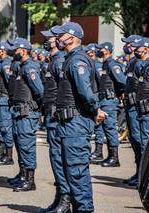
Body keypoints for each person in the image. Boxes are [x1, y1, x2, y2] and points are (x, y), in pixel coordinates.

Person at [52, 22, 106, 212]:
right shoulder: (71, 58)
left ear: (72, 37)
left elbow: (86, 93)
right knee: (71, 171)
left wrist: (95, 111)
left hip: (75, 123)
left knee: (77, 172)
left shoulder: (77, 61)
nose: (57, 39)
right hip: (69, 123)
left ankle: (84, 209)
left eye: (61, 35)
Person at [40, 26, 70, 212]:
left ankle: (65, 201)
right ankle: (59, 197)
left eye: (50, 38)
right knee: (55, 158)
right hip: (51, 115)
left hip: (57, 116)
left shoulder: (60, 61)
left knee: (59, 158)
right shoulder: (54, 60)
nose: (48, 41)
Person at [9, 38, 44, 192]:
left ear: (23, 51)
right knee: (20, 145)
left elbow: (40, 91)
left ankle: (30, 181)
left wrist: (37, 109)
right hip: (19, 112)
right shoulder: (21, 67)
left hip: (27, 113)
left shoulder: (30, 68)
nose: (13, 52)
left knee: (27, 146)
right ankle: (22, 175)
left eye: (16, 49)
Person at [91, 42, 126, 167]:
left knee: (110, 129)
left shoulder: (112, 64)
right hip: (104, 101)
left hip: (110, 101)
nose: (98, 50)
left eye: (100, 49)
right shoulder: (105, 64)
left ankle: (114, 158)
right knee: (106, 128)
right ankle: (110, 156)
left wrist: (120, 92)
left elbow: (123, 81)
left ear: (106, 51)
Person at [121, 35, 144, 186]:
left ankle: (143, 176)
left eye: (128, 44)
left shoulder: (139, 63)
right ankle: (138, 173)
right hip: (129, 105)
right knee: (134, 141)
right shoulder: (131, 62)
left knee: (138, 140)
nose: (126, 46)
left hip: (136, 107)